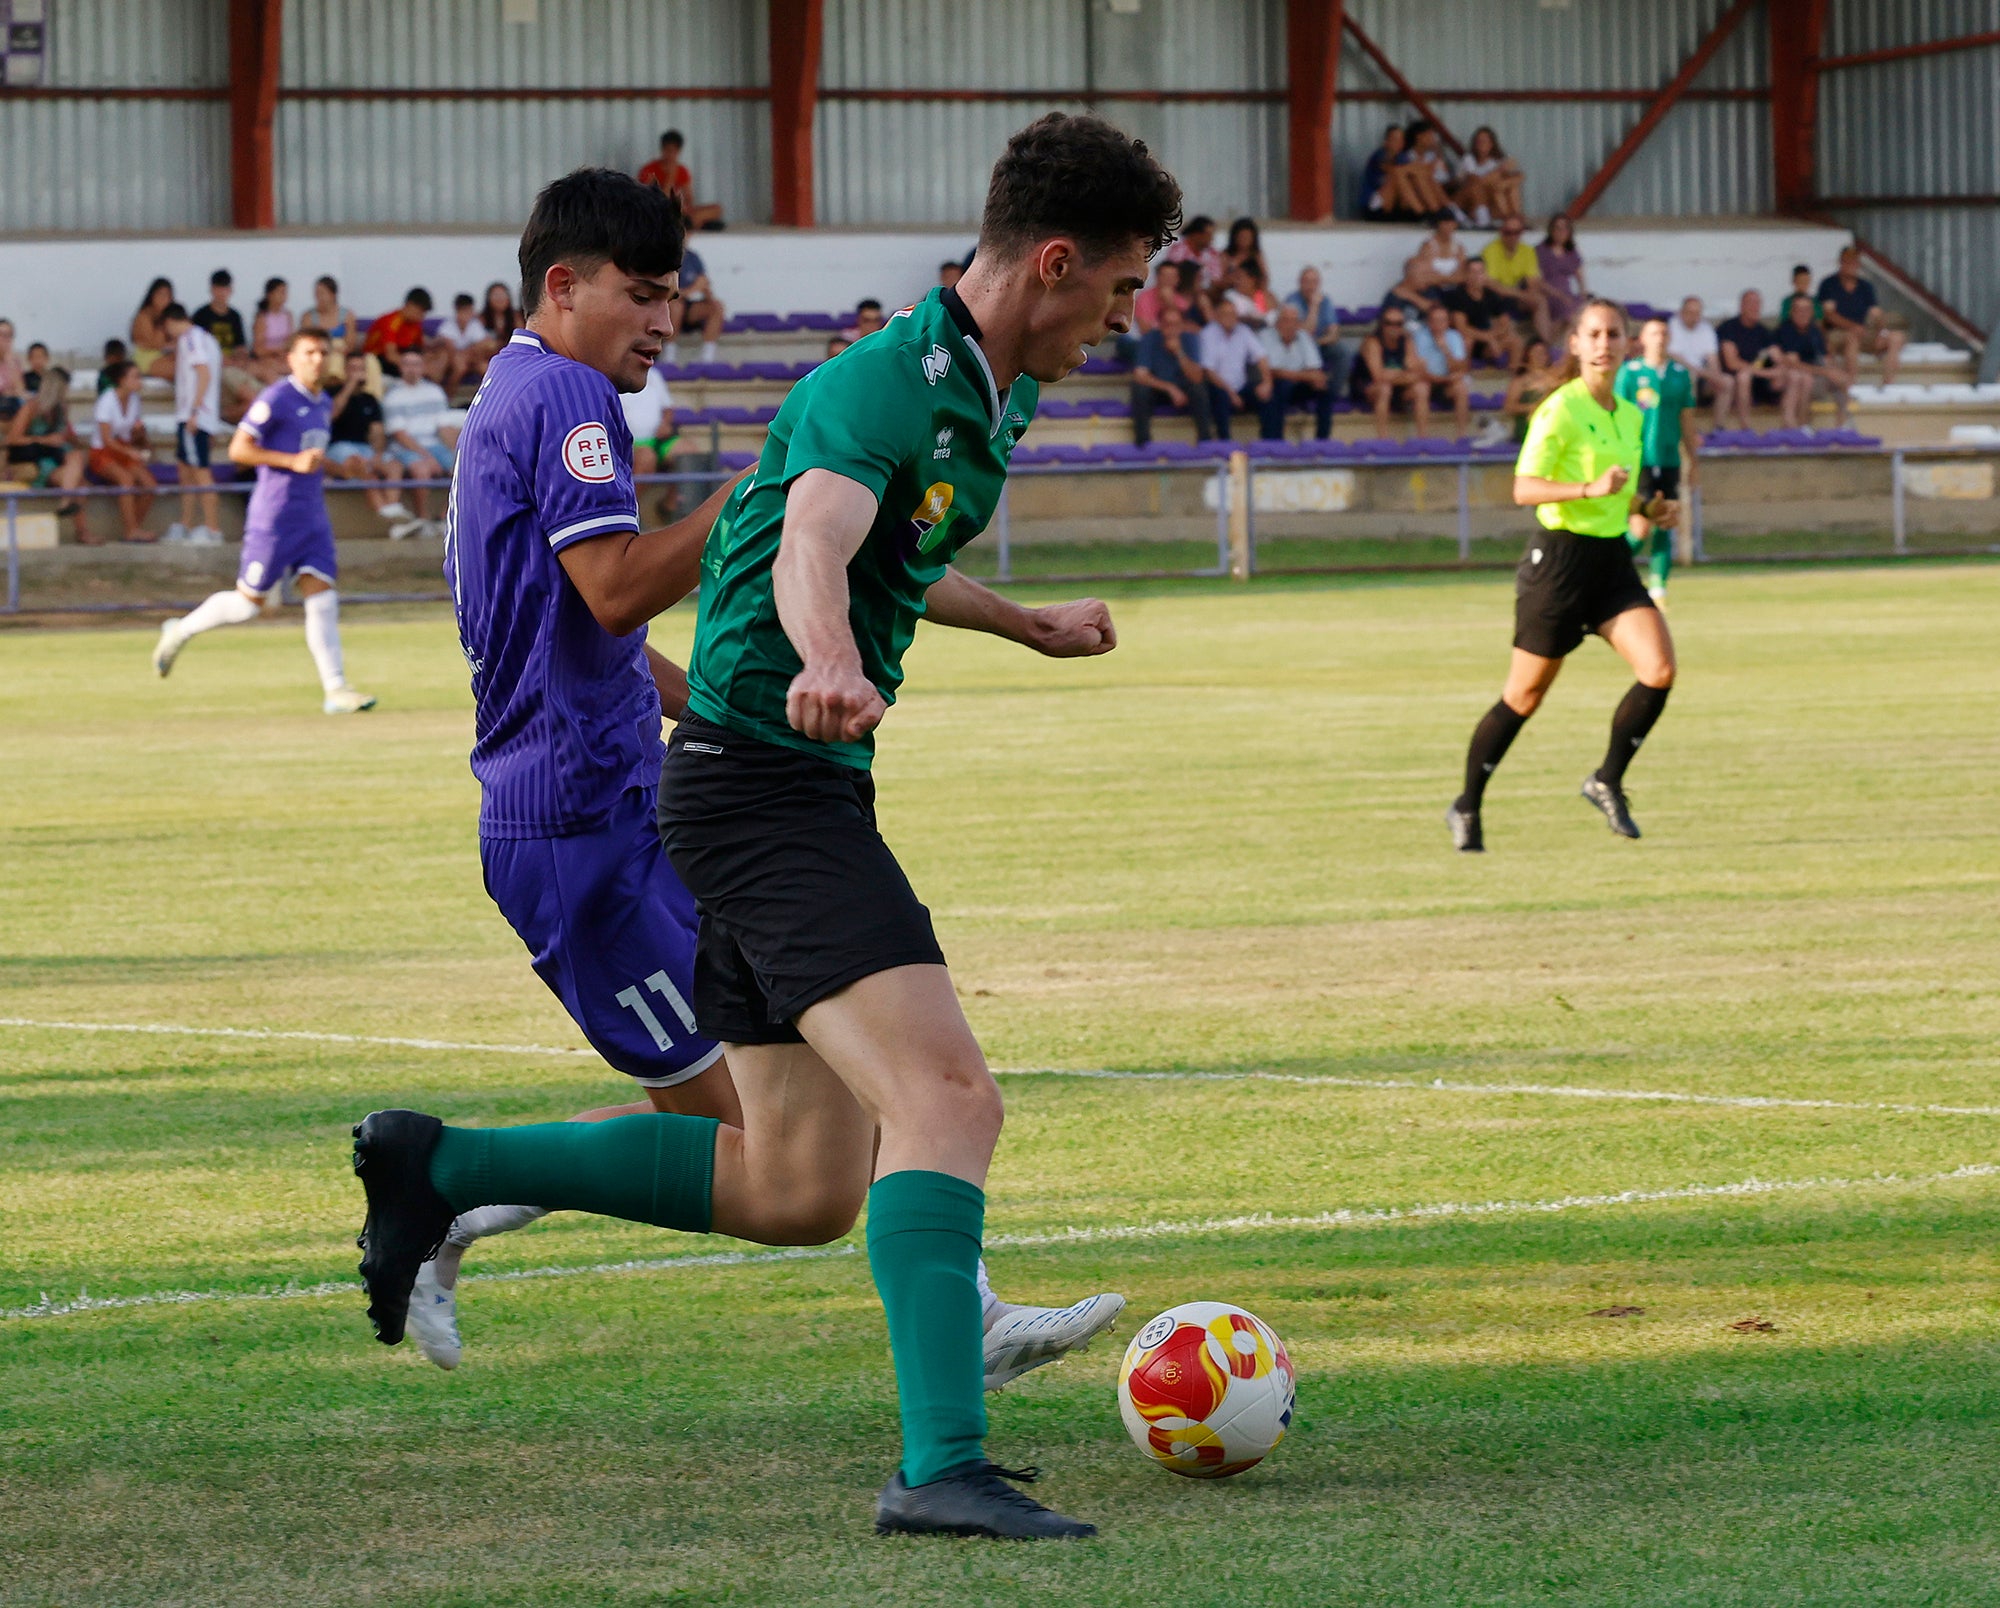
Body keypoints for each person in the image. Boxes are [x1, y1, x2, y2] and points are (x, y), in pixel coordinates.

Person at [347, 145, 1159, 1541]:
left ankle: (449, 1169)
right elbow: (799, 545)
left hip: (716, 785)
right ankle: (943, 1452)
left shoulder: (983, 390)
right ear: (1056, 264)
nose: (1128, 319)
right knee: (944, 1100)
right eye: (1125, 287)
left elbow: (870, 547)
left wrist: (1024, 624)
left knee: (798, 1181)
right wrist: (823, 644)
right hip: (704, 800)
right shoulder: (805, 390)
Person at [1446, 298, 1678, 853]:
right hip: (1558, 566)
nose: (1604, 343)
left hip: (1611, 563)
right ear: (1575, 344)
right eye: (1593, 334)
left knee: (1659, 668)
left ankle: (1606, 780)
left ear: (1626, 345)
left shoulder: (1631, 415)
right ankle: (1468, 804)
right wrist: (1586, 490)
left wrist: (1648, 510)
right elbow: (1523, 488)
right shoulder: (1559, 410)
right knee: (1523, 697)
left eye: (1613, 334)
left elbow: (1621, 495)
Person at [151, 329, 375, 714]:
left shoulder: (321, 401)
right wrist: (291, 463)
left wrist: (340, 469)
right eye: (309, 352)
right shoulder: (276, 398)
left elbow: (310, 456)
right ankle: (181, 629)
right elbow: (239, 448)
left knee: (322, 597)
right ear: (292, 358)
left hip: (311, 516)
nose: (317, 359)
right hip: (274, 516)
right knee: (247, 604)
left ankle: (336, 689)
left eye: (323, 352)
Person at [1615, 317, 1699, 605]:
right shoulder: (1629, 373)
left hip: (1670, 458)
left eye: (1664, 333)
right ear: (1643, 339)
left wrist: (1693, 459)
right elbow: (1616, 416)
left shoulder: (1679, 374)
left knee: (1667, 520)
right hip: (1639, 460)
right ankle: (1605, 565)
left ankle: (1658, 587)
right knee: (1640, 526)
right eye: (1654, 333)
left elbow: (1687, 419)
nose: (1660, 338)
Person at [323, 363, 417, 537]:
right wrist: (350, 385)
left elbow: (377, 432)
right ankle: (391, 514)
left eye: (361, 369)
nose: (358, 373)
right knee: (365, 470)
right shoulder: (332, 392)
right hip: (338, 447)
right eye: (353, 368)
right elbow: (332, 413)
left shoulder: (370, 399)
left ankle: (392, 509)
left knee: (394, 466)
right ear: (345, 371)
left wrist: (378, 454)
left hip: (365, 448)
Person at [162, 302, 225, 547]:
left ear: (169, 322)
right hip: (197, 415)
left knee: (200, 472)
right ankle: (186, 524)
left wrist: (195, 411)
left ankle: (212, 528)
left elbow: (204, 373)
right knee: (186, 472)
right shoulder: (207, 339)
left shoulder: (190, 339)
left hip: (194, 416)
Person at [3, 366, 87, 526]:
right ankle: (79, 528)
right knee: (78, 480)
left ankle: (68, 506)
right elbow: (12, 439)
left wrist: (68, 438)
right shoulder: (30, 408)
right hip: (39, 461)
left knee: (76, 464)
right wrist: (44, 439)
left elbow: (71, 440)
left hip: (58, 459)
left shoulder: (61, 409)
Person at [382, 347, 456, 529]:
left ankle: (443, 517)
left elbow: (444, 427)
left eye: (416, 364)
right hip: (404, 447)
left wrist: (458, 452)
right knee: (422, 470)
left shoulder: (434, 392)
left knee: (462, 468)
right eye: (407, 364)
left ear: (423, 367)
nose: (412, 369)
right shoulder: (393, 396)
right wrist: (427, 457)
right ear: (401, 368)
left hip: (434, 444)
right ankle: (423, 519)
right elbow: (400, 435)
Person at [88, 360, 156, 543]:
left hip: (123, 449)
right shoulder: (107, 400)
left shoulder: (134, 400)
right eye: (135, 376)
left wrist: (140, 435)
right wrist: (130, 452)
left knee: (149, 485)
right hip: (102, 452)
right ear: (122, 380)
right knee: (126, 479)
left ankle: (133, 528)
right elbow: (106, 439)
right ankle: (131, 529)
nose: (139, 380)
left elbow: (131, 433)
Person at [1129, 300, 1213, 444]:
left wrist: (1179, 353)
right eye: (1167, 324)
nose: (1171, 328)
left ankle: (1205, 440)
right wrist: (1170, 388)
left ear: (1181, 325)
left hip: (1185, 387)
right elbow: (1140, 375)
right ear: (1160, 325)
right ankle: (1143, 442)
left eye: (1175, 324)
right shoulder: (1150, 339)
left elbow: (1197, 377)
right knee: (1140, 390)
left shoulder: (1190, 339)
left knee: (1200, 390)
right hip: (1159, 388)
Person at [1819, 245, 1904, 384]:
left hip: (1862, 332)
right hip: (1837, 334)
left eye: (1854, 261)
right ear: (1841, 262)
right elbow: (1830, 316)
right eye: (1847, 261)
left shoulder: (1865, 286)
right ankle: (1851, 384)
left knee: (1896, 337)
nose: (1851, 265)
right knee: (1852, 337)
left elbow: (1876, 312)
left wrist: (1881, 331)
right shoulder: (1828, 284)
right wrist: (1853, 327)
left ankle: (1889, 384)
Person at [1716, 290, 1800, 431]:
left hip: (1759, 381)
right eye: (1751, 303)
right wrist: (1767, 373)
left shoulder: (1764, 332)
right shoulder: (1728, 328)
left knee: (1795, 376)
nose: (1755, 307)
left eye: (1758, 304)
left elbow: (1777, 357)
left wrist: (1782, 367)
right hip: (1734, 381)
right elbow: (1732, 363)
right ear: (1742, 305)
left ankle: (1790, 424)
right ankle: (1745, 427)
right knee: (1744, 376)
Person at [1775, 290, 1852, 429]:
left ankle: (1842, 425)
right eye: (1799, 310)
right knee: (1805, 380)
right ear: (1792, 312)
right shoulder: (1785, 331)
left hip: (1816, 375)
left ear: (1811, 312)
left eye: (1807, 309)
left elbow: (1825, 358)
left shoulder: (1814, 331)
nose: (1803, 313)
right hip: (1792, 378)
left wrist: (1835, 372)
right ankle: (1803, 426)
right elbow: (1793, 364)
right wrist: (1826, 372)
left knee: (1841, 379)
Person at [1197, 294, 1270, 440]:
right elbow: (1209, 371)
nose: (1229, 317)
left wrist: (1267, 383)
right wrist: (1231, 394)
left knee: (1267, 395)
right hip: (1219, 387)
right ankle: (1225, 443)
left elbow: (1261, 357)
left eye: (1232, 314)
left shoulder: (1243, 331)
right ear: (1217, 315)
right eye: (1225, 313)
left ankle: (1269, 442)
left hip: (1241, 387)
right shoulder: (1208, 334)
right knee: (1220, 397)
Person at [1259, 302, 1333, 440]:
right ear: (1277, 323)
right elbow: (1272, 371)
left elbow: (1315, 371)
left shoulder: (1304, 337)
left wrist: (1307, 377)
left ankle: (1323, 440)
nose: (1290, 325)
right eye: (1286, 320)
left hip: (1298, 386)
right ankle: (1274, 441)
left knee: (1325, 389)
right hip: (1275, 385)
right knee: (1280, 386)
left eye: (1294, 321)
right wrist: (1304, 375)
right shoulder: (1265, 336)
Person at [1665, 296, 1739, 430]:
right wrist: (1700, 372)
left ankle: (1718, 427)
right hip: (1676, 374)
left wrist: (1715, 376)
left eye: (1697, 313)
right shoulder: (1672, 326)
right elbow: (1673, 356)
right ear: (1682, 312)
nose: (1694, 316)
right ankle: (1689, 428)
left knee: (1727, 381)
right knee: (1689, 377)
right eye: (1690, 312)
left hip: (1701, 374)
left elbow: (1712, 359)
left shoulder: (1706, 329)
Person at [1356, 305, 1430, 437]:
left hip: (1397, 387)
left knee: (1422, 388)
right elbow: (1378, 376)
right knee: (1385, 388)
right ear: (1382, 324)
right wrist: (1405, 375)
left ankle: (1422, 438)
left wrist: (1394, 375)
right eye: (1389, 323)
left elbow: (1418, 373)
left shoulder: (1406, 341)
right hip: (1369, 388)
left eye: (1398, 324)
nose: (1394, 327)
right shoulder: (1372, 342)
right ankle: (1383, 439)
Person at [1285, 264, 1353, 397]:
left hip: (1319, 344)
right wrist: (1314, 306)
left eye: (1314, 282)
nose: (1311, 285)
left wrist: (1317, 342)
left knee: (1344, 352)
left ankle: (1332, 394)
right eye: (1307, 281)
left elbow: (1333, 334)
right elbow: (1304, 334)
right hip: (1297, 347)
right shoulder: (1292, 300)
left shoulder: (1325, 300)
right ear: (1300, 283)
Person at [637, 128, 723, 229]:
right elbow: (653, 201)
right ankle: (694, 223)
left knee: (717, 208)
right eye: (667, 151)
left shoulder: (682, 170)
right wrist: (670, 178)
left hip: (680, 211)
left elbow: (689, 199)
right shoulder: (649, 170)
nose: (670, 155)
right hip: (658, 212)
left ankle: (690, 222)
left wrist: (685, 207)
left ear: (679, 151)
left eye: (673, 151)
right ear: (662, 149)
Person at [1444, 259, 1520, 370]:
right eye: (1473, 272)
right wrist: (1488, 338)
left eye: (1480, 272)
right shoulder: (1458, 296)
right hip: (1467, 340)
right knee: (1468, 340)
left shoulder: (1490, 293)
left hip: (1486, 341)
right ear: (1466, 274)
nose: (1477, 276)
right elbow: (1461, 327)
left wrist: (1494, 336)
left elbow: (1504, 321)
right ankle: (1464, 376)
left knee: (1515, 340)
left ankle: (1514, 377)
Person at [1411, 301, 1473, 437]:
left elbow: (1460, 367)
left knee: (1461, 387)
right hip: (1427, 380)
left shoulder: (1454, 337)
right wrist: (1440, 379)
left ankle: (1462, 435)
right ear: (1429, 322)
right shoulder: (1419, 337)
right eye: (1435, 321)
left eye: (1442, 320)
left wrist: (1445, 350)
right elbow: (1418, 369)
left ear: (1447, 322)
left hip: (1447, 382)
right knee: (1421, 388)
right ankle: (1422, 436)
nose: (1439, 325)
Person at [1480, 214, 1548, 331]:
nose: (1512, 236)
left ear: (1521, 233)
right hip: (1496, 298)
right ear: (1501, 232)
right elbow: (1495, 287)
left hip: (1516, 296)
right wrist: (1523, 295)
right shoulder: (1490, 250)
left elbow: (1533, 282)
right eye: (1508, 232)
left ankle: (1545, 344)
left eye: (1516, 232)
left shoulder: (1528, 251)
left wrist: (1528, 295)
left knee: (1540, 301)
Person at [1451, 125, 1522, 227]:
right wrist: (1498, 172)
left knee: (1511, 188)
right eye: (1478, 141)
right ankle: (1484, 220)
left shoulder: (1498, 159)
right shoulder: (1469, 159)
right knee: (1477, 187)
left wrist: (1501, 183)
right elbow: (1475, 180)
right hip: (1467, 200)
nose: (1481, 144)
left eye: (1485, 141)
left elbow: (1519, 176)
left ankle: (1513, 219)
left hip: (1490, 198)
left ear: (1492, 143)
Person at [299, 275, 360, 383]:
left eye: (322, 293)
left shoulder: (347, 315)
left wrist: (339, 349)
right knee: (333, 360)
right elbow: (305, 342)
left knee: (371, 362)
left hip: (342, 352)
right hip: (320, 352)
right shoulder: (308, 317)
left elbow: (351, 344)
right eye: (316, 294)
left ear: (333, 295)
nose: (318, 297)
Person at [1535, 215, 1586, 345]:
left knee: (1581, 308)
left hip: (1566, 292)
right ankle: (1550, 345)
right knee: (1567, 311)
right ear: (1551, 230)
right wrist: (1558, 295)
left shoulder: (1571, 251)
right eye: (1557, 228)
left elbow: (1579, 275)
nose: (1561, 232)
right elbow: (1537, 280)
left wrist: (1583, 292)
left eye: (1564, 228)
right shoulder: (1541, 251)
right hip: (1548, 292)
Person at [671, 243, 726, 363]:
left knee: (716, 307)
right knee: (676, 307)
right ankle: (669, 353)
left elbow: (705, 289)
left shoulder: (692, 257)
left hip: (688, 307)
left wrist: (704, 288)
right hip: (666, 306)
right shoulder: (662, 255)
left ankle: (707, 356)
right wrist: (690, 290)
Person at [362, 287, 437, 374]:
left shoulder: (415, 325)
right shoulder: (390, 321)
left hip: (401, 356)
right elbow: (391, 356)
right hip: (377, 359)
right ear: (409, 305)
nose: (422, 317)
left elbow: (420, 349)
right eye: (420, 312)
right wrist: (419, 368)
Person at [1500, 338, 1558, 445]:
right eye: (1536, 353)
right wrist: (1532, 407)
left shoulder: (1555, 378)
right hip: (1528, 430)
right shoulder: (1520, 381)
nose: (1540, 357)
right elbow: (1509, 407)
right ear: (1528, 356)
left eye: (1542, 353)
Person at [1359, 123, 1422, 220]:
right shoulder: (1380, 155)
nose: (1399, 143)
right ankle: (1420, 212)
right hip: (1374, 206)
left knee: (1413, 177)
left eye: (1401, 139)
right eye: (1395, 139)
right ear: (1386, 142)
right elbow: (1390, 169)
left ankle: (1425, 211)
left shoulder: (1403, 157)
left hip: (1394, 206)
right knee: (1397, 175)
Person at [1403, 120, 1462, 222]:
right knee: (1425, 177)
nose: (1433, 139)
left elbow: (1444, 179)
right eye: (1429, 135)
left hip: (1438, 192)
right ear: (1419, 137)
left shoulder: (1432, 157)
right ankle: (1453, 214)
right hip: (1415, 198)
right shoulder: (1407, 156)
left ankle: (1454, 213)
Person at [437, 292, 494, 393]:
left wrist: (470, 354)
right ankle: (448, 396)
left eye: (469, 311)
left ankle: (488, 397)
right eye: (463, 311)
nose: (467, 315)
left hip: (472, 358)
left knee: (485, 368)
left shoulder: (475, 324)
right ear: (457, 311)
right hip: (454, 359)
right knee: (460, 367)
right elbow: (450, 348)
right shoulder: (448, 326)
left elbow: (484, 344)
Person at [129, 278, 178, 381]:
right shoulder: (144, 316)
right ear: (152, 296)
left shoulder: (171, 316)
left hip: (166, 356)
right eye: (160, 294)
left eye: (167, 295)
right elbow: (153, 343)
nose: (164, 299)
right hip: (148, 359)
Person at [1164, 213, 1226, 289]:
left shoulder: (1212, 253)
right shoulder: (1178, 250)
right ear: (1196, 235)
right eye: (1208, 235)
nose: (1211, 239)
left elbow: (1216, 277)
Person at [250, 277, 294, 382]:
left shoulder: (288, 316)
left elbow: (292, 341)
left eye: (285, 292)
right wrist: (276, 351)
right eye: (281, 292)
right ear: (270, 295)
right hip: (266, 360)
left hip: (284, 358)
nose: (284, 296)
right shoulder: (262, 318)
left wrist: (285, 352)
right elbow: (258, 349)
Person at [1222, 216, 1266, 281]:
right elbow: (1221, 279)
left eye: (1248, 237)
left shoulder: (1256, 254)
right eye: (1241, 236)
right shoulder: (1225, 255)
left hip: (1253, 290)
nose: (1244, 240)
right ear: (1234, 237)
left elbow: (1264, 277)